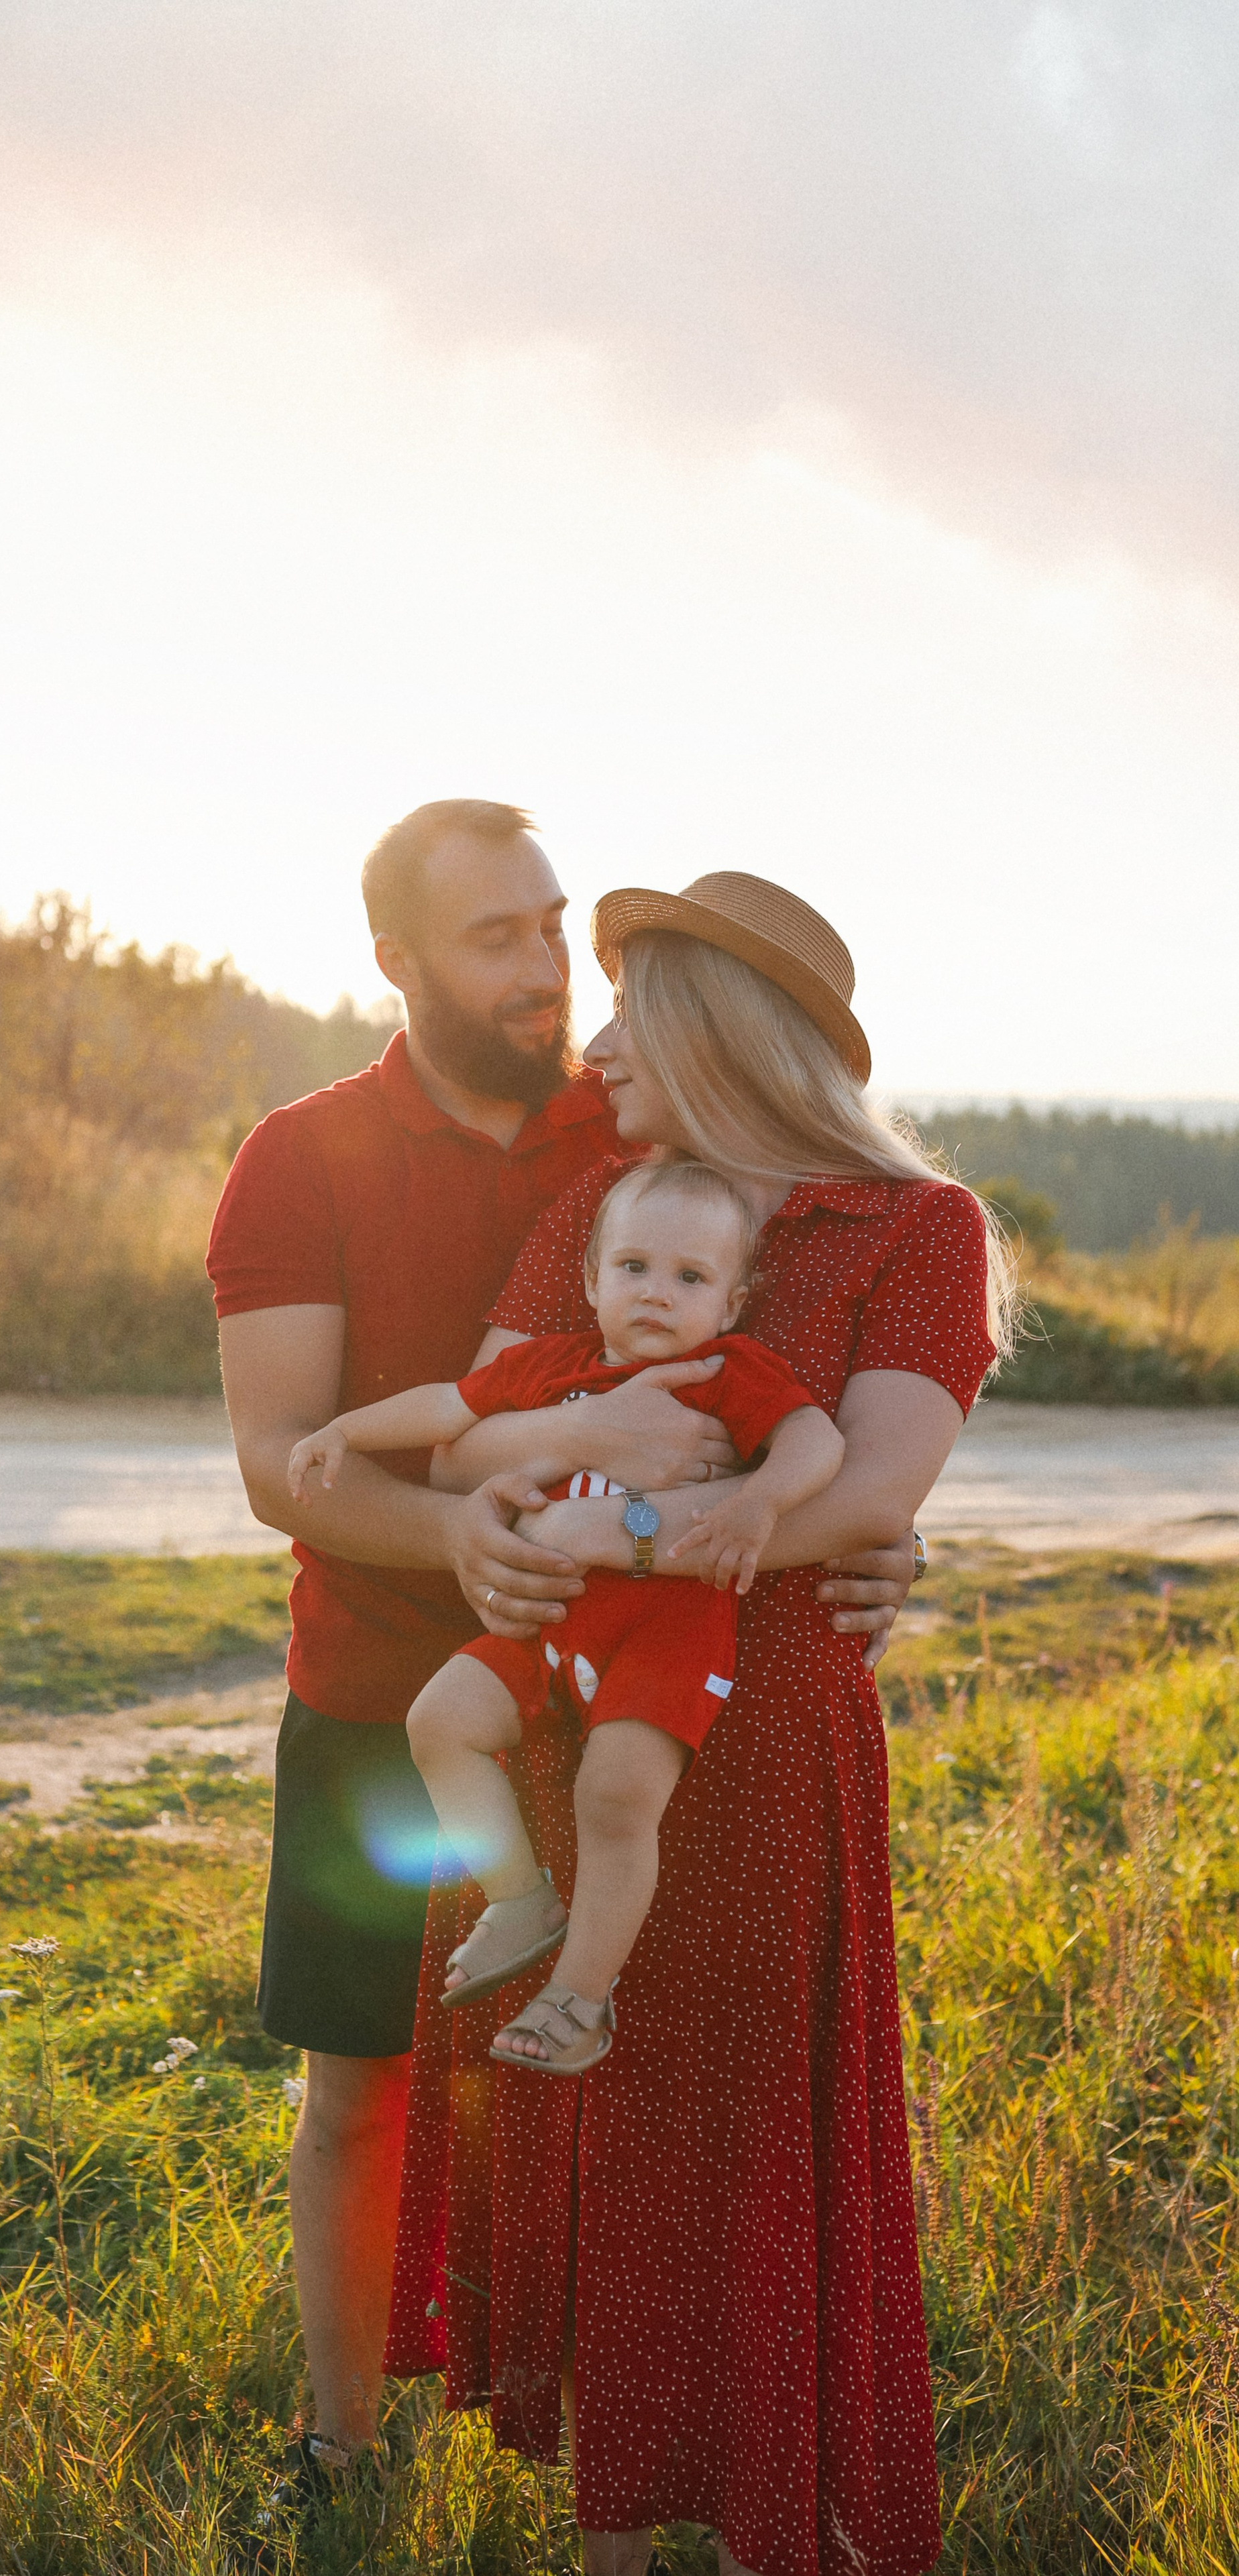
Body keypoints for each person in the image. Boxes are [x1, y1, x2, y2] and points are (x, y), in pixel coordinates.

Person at [207, 811, 919, 2502]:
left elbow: (795, 1338)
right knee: (361, 2079)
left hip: (608, 1685)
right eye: (497, 943)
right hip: (387, 1681)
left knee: (572, 2094)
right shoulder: (299, 1157)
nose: (545, 979)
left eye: (549, 932)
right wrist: (468, 1532)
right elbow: (277, 1458)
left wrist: (862, 1523)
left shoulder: (622, 1131)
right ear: (395, 964)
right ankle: (340, 2438)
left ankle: (611, 2441)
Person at [385, 871, 1010, 2576]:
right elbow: (467, 1441)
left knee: (731, 2139)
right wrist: (560, 1476)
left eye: (626, 1012)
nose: (591, 1046)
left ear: (716, 1033)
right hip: (558, 1710)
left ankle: (757, 2519)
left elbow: (872, 1484)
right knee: (582, 2116)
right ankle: (610, 2522)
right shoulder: (602, 1202)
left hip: (760, 1746)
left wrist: (627, 1521)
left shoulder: (913, 1232)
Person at [286, 1156, 845, 2073]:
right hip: (551, 1621)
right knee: (440, 1722)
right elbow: (446, 1409)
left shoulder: (725, 1370)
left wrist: (760, 1502)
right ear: (592, 1280)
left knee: (616, 1793)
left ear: (732, 1302)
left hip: (667, 1635)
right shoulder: (555, 1369)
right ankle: (520, 1898)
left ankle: (579, 1998)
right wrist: (348, 1429)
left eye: (691, 1277)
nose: (657, 1294)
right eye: (633, 1268)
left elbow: (814, 1438)